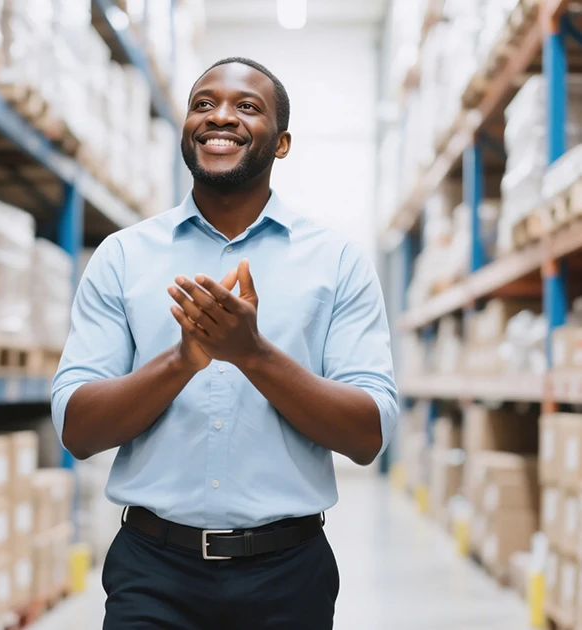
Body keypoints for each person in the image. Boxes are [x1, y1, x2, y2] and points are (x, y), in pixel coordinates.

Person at [52, 57, 399, 629]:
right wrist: (183, 360)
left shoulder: (336, 263)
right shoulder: (122, 256)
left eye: (247, 107)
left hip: (289, 576)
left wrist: (251, 355)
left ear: (281, 143)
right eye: (204, 104)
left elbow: (368, 435)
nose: (221, 117)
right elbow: (78, 431)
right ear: (187, 132)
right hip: (152, 574)